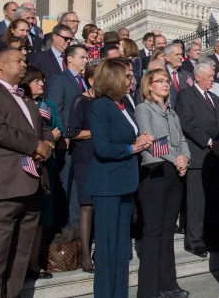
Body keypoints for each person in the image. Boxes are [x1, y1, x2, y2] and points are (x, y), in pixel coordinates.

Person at [0, 48, 54, 298]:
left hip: (29, 186)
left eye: (26, 60)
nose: (25, 64)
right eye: (19, 60)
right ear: (0, 65)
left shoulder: (26, 98)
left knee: (18, 262)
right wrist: (34, 144)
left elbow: (43, 127)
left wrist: (46, 142)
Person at [86, 59, 153, 298]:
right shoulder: (100, 107)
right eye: (126, 76)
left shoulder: (123, 104)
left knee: (121, 247)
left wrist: (140, 139)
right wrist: (133, 148)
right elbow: (102, 148)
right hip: (107, 185)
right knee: (106, 249)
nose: (131, 80)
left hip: (124, 182)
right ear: (113, 78)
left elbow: (126, 137)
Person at [134, 68, 192, 298]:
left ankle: (169, 284)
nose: (166, 84)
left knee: (168, 231)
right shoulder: (143, 109)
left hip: (175, 172)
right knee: (153, 231)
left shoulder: (172, 112)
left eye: (167, 81)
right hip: (154, 171)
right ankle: (148, 291)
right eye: (160, 81)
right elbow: (148, 140)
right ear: (149, 86)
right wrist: (175, 157)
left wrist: (185, 158)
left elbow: (183, 140)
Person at [175, 63, 219, 258]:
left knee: (213, 200)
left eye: (213, 76)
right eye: (209, 76)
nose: (212, 79)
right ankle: (195, 241)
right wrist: (210, 142)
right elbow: (187, 123)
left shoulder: (214, 97)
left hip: (216, 155)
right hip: (198, 154)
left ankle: (212, 239)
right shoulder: (186, 95)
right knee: (197, 202)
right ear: (198, 76)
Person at [21, 65, 61, 280]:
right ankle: (21, 263)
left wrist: (49, 142)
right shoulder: (19, 103)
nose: (42, 84)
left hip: (46, 166)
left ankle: (34, 262)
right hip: (23, 165)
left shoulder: (48, 105)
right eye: (36, 81)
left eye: (42, 80)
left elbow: (57, 129)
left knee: (41, 218)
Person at [44, 44, 89, 228]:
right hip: (67, 145)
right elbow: (56, 110)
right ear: (69, 59)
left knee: (79, 192)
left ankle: (76, 232)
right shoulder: (59, 80)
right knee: (65, 188)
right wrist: (64, 136)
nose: (86, 60)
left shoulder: (85, 81)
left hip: (83, 145)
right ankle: (63, 233)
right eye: (82, 57)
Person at [64, 65, 97, 271]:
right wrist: (96, 132)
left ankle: (100, 249)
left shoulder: (105, 101)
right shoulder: (80, 100)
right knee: (87, 205)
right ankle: (85, 254)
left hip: (103, 157)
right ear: (91, 80)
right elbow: (72, 132)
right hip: (85, 157)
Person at [163, 42, 193, 109]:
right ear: (167, 57)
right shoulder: (161, 73)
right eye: (177, 54)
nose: (180, 57)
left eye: (181, 54)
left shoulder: (187, 75)